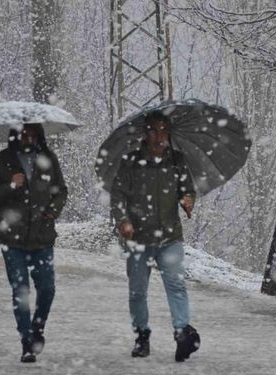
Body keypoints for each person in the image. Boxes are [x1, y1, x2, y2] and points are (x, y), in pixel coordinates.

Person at [110, 110, 201, 362]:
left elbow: (188, 189)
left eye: (163, 130)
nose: (159, 136)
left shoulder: (177, 160)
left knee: (176, 285)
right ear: (145, 133)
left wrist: (187, 199)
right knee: (137, 292)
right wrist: (123, 220)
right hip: (138, 239)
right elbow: (117, 196)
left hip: (170, 237)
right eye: (153, 130)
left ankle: (182, 332)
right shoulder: (131, 161)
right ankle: (142, 335)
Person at [0, 123, 68, 363]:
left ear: (39, 135)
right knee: (20, 291)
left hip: (42, 236)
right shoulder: (2, 160)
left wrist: (53, 210)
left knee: (48, 289)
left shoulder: (48, 159)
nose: (28, 138)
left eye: (33, 133)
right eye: (24, 133)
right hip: (12, 239)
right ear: (15, 135)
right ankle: (26, 341)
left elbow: (61, 190)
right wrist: (11, 185)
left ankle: (38, 326)